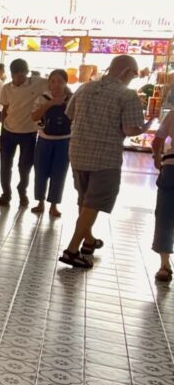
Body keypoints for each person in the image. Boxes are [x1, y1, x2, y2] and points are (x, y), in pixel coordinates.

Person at [59, 54, 147, 269]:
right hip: (105, 157)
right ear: (127, 72)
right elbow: (129, 129)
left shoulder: (84, 88)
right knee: (93, 204)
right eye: (134, 75)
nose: (133, 79)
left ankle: (88, 241)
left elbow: (69, 114)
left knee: (85, 201)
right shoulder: (127, 96)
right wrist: (144, 127)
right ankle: (72, 250)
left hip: (78, 152)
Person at [0, 59, 42, 207]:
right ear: (12, 74)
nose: (21, 78)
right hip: (8, 131)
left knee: (25, 166)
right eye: (17, 76)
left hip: (29, 132)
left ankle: (22, 190)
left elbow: (56, 81)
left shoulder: (37, 83)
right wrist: (1, 125)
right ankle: (6, 194)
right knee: (5, 164)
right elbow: (5, 108)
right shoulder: (7, 88)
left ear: (27, 73)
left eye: (23, 75)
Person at [30, 69, 73, 217]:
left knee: (59, 174)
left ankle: (54, 205)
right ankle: (40, 202)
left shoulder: (72, 99)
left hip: (64, 141)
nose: (56, 85)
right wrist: (50, 104)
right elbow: (34, 117)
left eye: (60, 81)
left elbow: (77, 118)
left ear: (65, 82)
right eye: (53, 81)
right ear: (49, 82)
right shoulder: (42, 98)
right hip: (44, 140)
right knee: (40, 172)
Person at [152, 111, 174, 283]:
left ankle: (165, 265)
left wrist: (158, 158)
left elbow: (158, 140)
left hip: (171, 167)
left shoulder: (172, 114)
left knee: (164, 216)